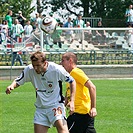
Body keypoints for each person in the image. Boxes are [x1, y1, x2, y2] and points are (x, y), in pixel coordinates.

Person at [5, 51, 76, 133]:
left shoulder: (56, 69)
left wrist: (72, 101)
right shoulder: (29, 69)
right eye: (33, 65)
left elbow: (72, 81)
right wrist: (12, 86)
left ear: (45, 63)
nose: (35, 68)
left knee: (63, 130)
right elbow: (19, 80)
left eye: (38, 65)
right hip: (41, 108)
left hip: (56, 105)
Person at [61, 52, 97, 133]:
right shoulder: (70, 74)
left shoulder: (76, 72)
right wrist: (65, 103)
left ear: (70, 60)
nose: (61, 63)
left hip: (80, 114)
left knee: (64, 130)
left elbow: (92, 87)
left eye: (63, 60)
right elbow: (69, 91)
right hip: (84, 115)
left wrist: (93, 107)